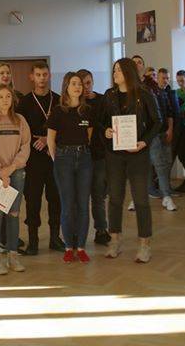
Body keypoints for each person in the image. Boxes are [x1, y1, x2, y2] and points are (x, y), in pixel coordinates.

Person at [99, 58, 162, 263]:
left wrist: (144, 142)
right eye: (114, 70)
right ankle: (115, 240)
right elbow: (101, 122)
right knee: (115, 198)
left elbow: (157, 122)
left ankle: (144, 245)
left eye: (118, 70)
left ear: (128, 72)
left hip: (138, 154)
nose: (115, 73)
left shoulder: (144, 94)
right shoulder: (109, 95)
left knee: (141, 199)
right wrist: (106, 131)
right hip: (115, 155)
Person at [0, 85, 31, 274]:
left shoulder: (20, 120)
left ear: (13, 99)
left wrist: (12, 168)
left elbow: (26, 146)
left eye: (8, 96)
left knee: (14, 214)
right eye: (0, 97)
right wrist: (0, 172)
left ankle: (12, 256)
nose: (4, 100)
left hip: (16, 173)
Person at [16, 62, 63, 255]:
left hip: (54, 158)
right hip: (33, 159)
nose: (42, 78)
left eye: (44, 74)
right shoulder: (24, 103)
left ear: (49, 75)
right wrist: (37, 140)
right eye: (38, 74)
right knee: (33, 201)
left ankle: (55, 238)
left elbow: (65, 128)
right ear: (32, 77)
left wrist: (48, 140)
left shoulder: (59, 100)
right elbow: (20, 131)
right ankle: (33, 242)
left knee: (55, 199)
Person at [47, 73, 93, 263]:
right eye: (73, 83)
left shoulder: (87, 110)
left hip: (84, 158)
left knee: (83, 204)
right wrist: (56, 160)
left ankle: (80, 247)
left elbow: (89, 136)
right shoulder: (58, 111)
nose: (77, 87)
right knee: (67, 205)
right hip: (63, 159)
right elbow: (50, 139)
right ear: (66, 86)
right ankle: (68, 247)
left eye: (80, 84)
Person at [132, 57, 177, 211]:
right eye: (134, 62)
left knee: (160, 164)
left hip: (153, 132)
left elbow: (165, 110)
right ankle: (137, 198)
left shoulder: (152, 87)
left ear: (143, 66)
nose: (137, 65)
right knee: (138, 167)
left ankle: (166, 196)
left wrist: (168, 128)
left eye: (139, 62)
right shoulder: (128, 86)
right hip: (135, 133)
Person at [78, 69, 111, 245]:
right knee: (80, 197)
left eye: (88, 83)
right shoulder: (75, 103)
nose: (85, 87)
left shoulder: (103, 100)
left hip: (99, 155)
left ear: (93, 82)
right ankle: (78, 232)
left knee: (98, 195)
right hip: (80, 156)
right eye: (82, 84)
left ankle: (101, 229)